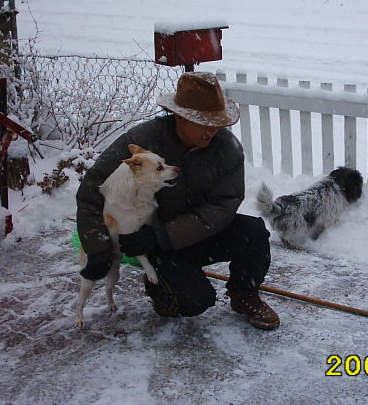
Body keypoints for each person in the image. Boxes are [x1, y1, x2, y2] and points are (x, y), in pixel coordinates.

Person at [76, 71, 280, 330]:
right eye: (203, 123)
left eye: (216, 123)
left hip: (194, 233)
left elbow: (224, 205)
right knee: (194, 302)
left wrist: (166, 234)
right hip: (154, 244)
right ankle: (163, 292)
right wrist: (97, 248)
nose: (211, 131)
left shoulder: (226, 149)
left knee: (254, 232)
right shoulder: (144, 141)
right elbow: (91, 191)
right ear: (179, 118)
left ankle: (244, 294)